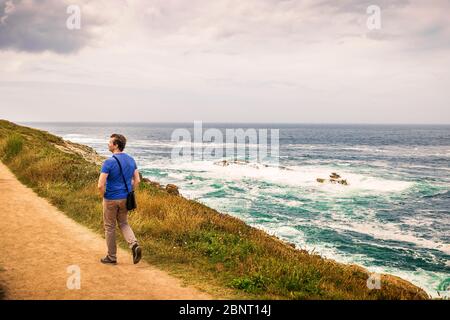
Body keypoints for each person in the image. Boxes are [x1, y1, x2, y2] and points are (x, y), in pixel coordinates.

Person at [97, 133, 142, 265]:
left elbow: (100, 185)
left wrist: (105, 195)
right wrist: (129, 191)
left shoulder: (109, 162)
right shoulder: (131, 159)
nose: (108, 144)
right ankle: (134, 244)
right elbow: (137, 180)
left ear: (116, 145)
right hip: (125, 198)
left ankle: (111, 257)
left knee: (110, 227)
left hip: (110, 198)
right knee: (123, 223)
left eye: (110, 142)